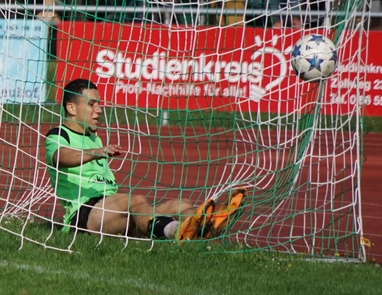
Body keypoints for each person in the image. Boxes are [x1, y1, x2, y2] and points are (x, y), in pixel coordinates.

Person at [44, 79, 245, 241]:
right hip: (84, 215)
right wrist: (97, 151)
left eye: (99, 104)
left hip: (110, 208)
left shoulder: (93, 137)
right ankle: (176, 232)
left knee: (180, 204)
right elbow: (61, 157)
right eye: (91, 104)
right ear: (71, 108)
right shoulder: (59, 134)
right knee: (135, 201)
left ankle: (207, 225)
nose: (99, 109)